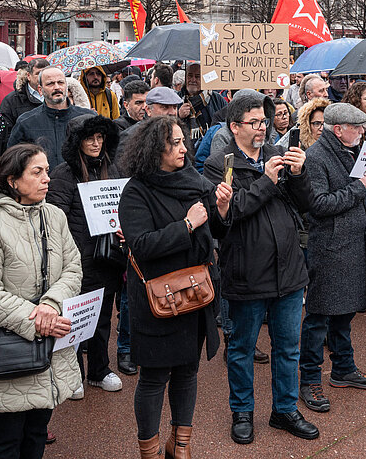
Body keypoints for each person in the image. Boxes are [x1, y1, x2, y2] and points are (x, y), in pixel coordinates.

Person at [203, 95, 318, 445]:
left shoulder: (275, 155)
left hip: (288, 270)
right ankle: (242, 411)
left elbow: (307, 204)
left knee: (288, 347)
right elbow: (230, 215)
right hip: (246, 272)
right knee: (241, 348)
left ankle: (284, 409)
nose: (261, 128)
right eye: (253, 122)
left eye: (263, 122)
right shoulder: (218, 164)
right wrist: (267, 180)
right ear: (234, 126)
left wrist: (298, 175)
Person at [118, 116, 232, 459]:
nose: (184, 148)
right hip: (158, 299)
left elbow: (215, 231)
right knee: (154, 378)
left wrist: (222, 211)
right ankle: (150, 450)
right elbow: (142, 245)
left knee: (188, 371)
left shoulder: (194, 181)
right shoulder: (136, 190)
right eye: (175, 143)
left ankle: (180, 445)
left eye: (183, 141)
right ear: (156, 149)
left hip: (195, 292)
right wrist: (186, 225)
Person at [0, 143, 83, 459]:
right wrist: (37, 315)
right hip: (8, 348)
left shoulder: (55, 216)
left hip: (50, 343)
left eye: (47, 170)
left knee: (36, 434)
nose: (47, 179)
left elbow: (73, 267)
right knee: (6, 441)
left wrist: (51, 304)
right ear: (12, 180)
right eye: (38, 172)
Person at [299, 103, 366, 414]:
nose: (361, 131)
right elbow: (318, 204)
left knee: (343, 312)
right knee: (319, 316)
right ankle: (309, 379)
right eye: (356, 127)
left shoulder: (348, 151)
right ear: (338, 129)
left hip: (350, 245)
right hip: (331, 248)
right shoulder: (317, 157)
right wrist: (358, 189)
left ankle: (343, 368)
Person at [46, 114, 125, 396]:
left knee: (103, 317)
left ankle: (99, 370)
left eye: (100, 138)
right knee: (75, 319)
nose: (95, 143)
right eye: (90, 138)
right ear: (77, 142)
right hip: (78, 259)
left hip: (108, 256)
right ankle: (74, 373)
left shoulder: (112, 168)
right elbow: (55, 219)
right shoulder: (63, 174)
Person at [6, 67, 94, 169]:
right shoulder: (26, 122)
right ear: (40, 90)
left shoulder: (87, 118)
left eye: (60, 82)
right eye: (50, 84)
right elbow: (13, 161)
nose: (57, 87)